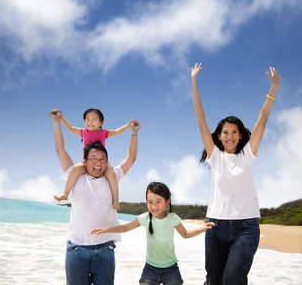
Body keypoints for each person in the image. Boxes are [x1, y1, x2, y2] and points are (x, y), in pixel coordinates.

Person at [191, 63, 281, 285]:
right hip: (215, 227)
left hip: (246, 228)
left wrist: (273, 90)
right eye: (225, 132)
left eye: (234, 132)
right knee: (213, 280)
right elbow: (201, 120)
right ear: (219, 137)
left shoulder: (247, 155)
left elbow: (262, 119)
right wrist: (193, 82)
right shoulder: (215, 157)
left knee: (233, 279)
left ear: (240, 135)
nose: (229, 136)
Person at [50, 109, 140, 285]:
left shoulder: (111, 177)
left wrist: (134, 133)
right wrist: (56, 121)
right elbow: (60, 150)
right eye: (93, 159)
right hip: (77, 249)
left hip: (105, 250)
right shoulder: (76, 176)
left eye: (102, 159)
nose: (98, 163)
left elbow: (131, 158)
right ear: (85, 161)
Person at [91, 181, 215, 285]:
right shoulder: (145, 218)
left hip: (171, 268)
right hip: (150, 268)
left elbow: (185, 234)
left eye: (158, 201)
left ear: (167, 201)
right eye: (150, 201)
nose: (153, 206)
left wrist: (202, 228)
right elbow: (126, 227)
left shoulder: (173, 218)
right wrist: (107, 229)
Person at [53, 108, 133, 210]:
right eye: (87, 119)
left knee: (112, 175)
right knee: (75, 170)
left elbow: (117, 131)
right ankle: (65, 194)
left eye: (94, 119)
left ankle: (116, 201)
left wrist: (127, 125)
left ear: (101, 122)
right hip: (86, 162)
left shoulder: (103, 133)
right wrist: (61, 117)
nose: (90, 122)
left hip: (102, 162)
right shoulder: (83, 132)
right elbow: (70, 127)